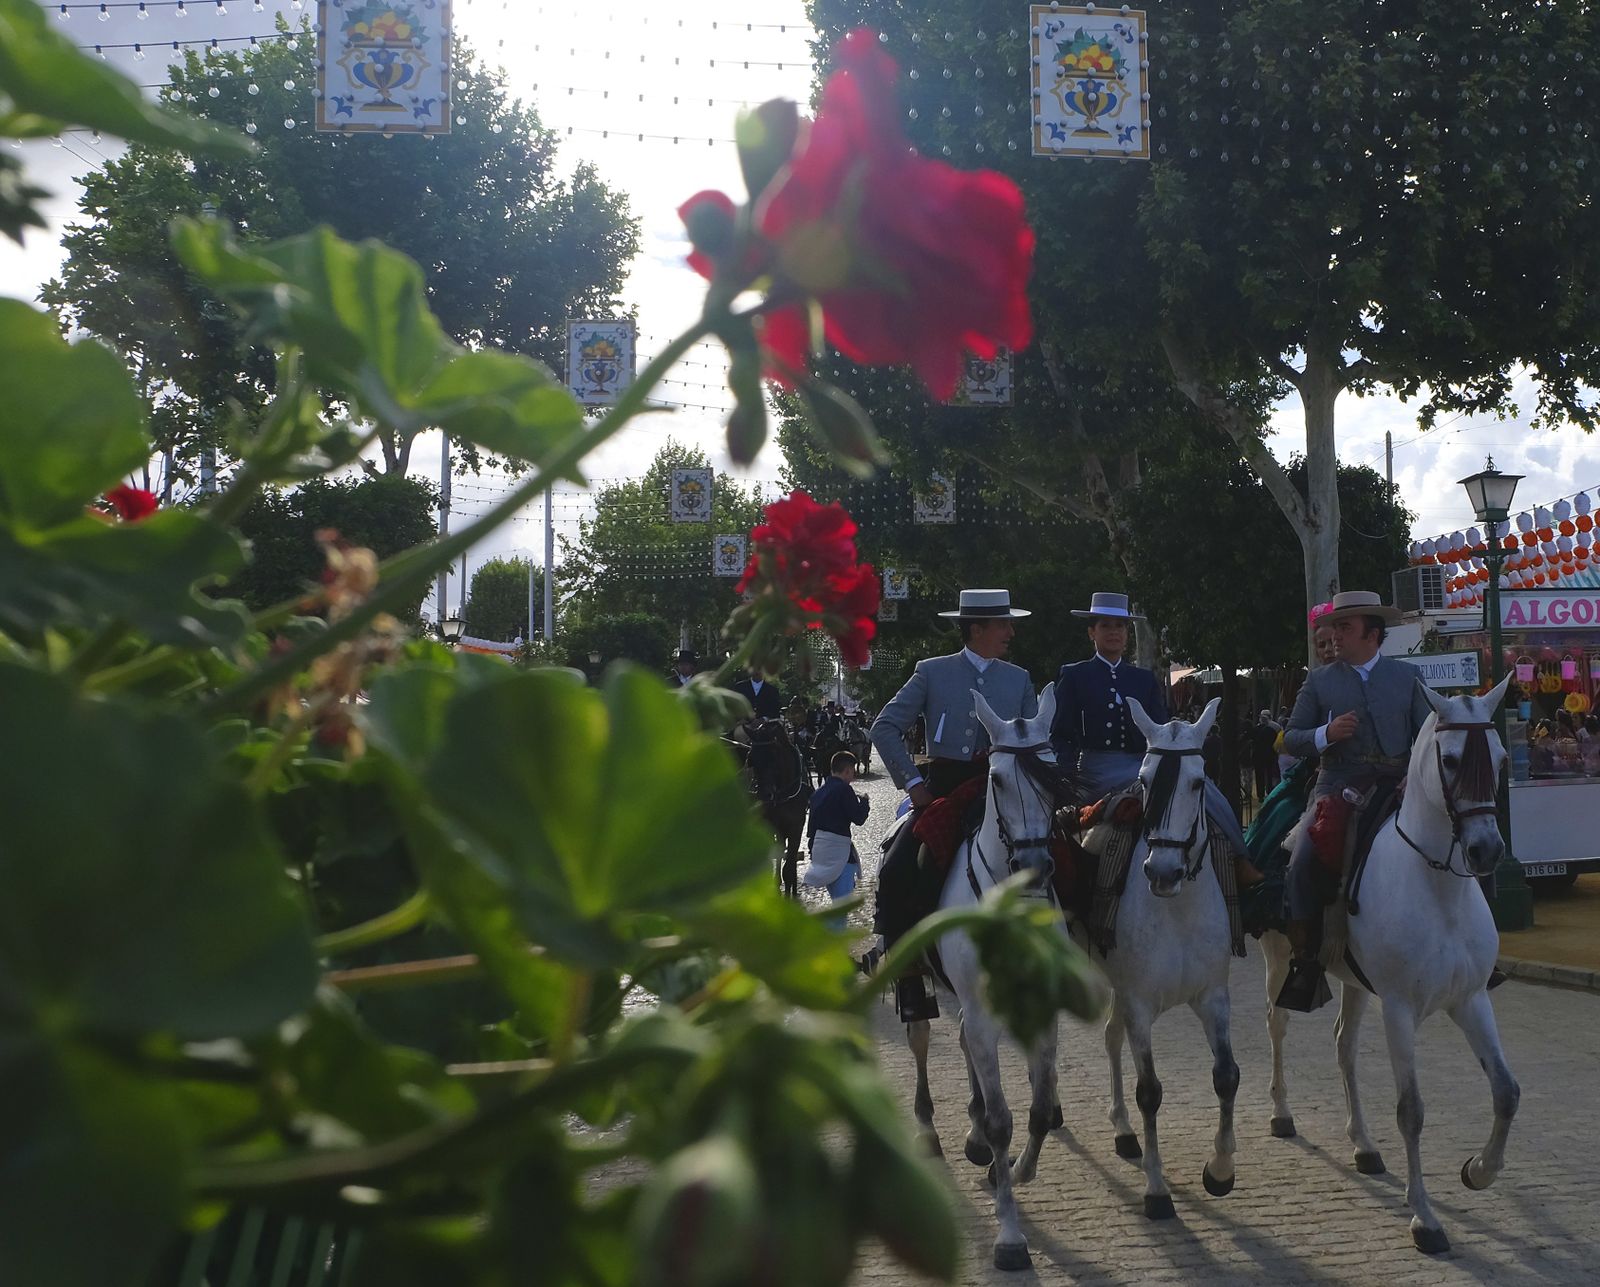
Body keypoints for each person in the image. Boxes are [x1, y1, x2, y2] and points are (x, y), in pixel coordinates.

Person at [870, 588, 1037, 1019]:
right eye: (1003, 624)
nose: (1011, 632)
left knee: (1055, 854)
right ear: (977, 629)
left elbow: (1035, 740)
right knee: (894, 871)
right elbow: (884, 727)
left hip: (1001, 788)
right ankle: (907, 971)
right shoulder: (931, 672)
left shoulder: (1018, 679)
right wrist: (912, 784)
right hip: (943, 789)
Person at [1276, 590, 1433, 1011]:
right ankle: (1305, 961)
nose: (1335, 635)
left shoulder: (1406, 677)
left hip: (1399, 782)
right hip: (1338, 782)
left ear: (1373, 634)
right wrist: (1326, 735)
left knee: (1462, 837)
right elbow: (1290, 737)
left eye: (1345, 627)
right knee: (1304, 858)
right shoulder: (1319, 679)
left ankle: (1475, 945)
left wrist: (1413, 780)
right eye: (1336, 627)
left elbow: (1427, 735)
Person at [1050, 590, 1254, 865]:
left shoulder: (1142, 679)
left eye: (1120, 626)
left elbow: (1160, 729)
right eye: (1105, 625)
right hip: (1094, 770)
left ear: (1127, 633)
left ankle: (1241, 859)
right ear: (1091, 632)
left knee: (1205, 789)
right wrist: (1067, 781)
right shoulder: (1075, 675)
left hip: (1142, 764)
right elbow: (1061, 734)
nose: (1114, 632)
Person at [804, 750, 871, 925]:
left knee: (837, 903)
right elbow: (859, 818)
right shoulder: (844, 790)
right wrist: (864, 802)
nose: (853, 777)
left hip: (821, 852)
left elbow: (811, 830)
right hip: (840, 854)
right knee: (841, 908)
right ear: (847, 770)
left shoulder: (818, 793)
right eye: (853, 772)